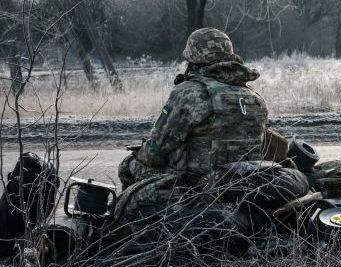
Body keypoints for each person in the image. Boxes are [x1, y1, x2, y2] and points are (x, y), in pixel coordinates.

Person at [110, 27, 275, 234]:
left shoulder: (190, 92)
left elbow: (154, 153)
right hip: (241, 185)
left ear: (193, 59)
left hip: (194, 188)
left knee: (128, 165)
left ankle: (123, 234)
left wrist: (139, 154)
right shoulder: (255, 97)